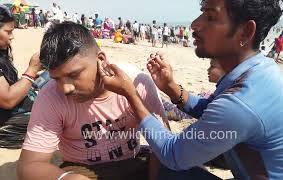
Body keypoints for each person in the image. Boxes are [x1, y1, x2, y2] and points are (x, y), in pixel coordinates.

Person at [98, 0, 283, 179]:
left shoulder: (243, 101)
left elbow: (173, 154)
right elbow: (213, 110)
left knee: (165, 168)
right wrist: (172, 88)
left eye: (211, 17)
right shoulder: (260, 69)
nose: (195, 24)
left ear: (245, 32)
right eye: (201, 13)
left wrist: (130, 94)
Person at [17, 22, 169, 180]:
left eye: (74, 75)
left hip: (133, 161)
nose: (65, 88)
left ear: (101, 59)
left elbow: (162, 145)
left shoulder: (136, 83)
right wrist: (68, 178)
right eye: (56, 79)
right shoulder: (50, 96)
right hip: (82, 169)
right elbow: (29, 166)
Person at [0, 5, 43, 148]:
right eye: (8, 32)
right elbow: (7, 100)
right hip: (6, 115)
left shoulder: (2, 52)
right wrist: (31, 71)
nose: (12, 36)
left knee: (49, 77)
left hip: (12, 104)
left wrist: (30, 77)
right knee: (52, 114)